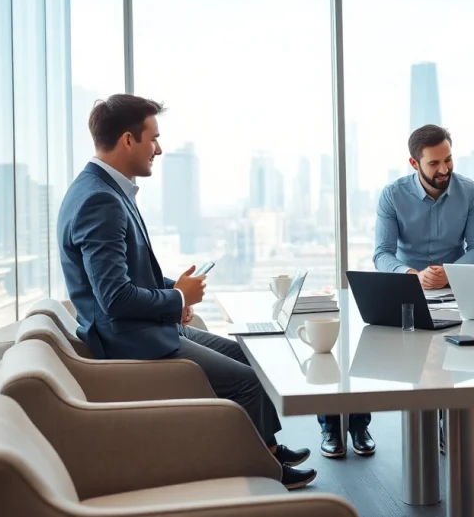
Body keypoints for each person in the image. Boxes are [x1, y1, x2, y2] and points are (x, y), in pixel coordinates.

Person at [56, 94, 316, 489]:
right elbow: (115, 298)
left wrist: (173, 293)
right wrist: (177, 299)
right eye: (153, 138)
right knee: (246, 380)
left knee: (248, 354)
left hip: (145, 328)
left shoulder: (104, 189)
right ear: (128, 140)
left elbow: (126, 277)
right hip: (132, 341)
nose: (158, 149)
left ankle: (268, 447)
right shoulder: (99, 200)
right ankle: (264, 469)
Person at [319, 124, 474, 458]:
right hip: (406, 287)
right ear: (414, 164)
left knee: (449, 355)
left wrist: (448, 275)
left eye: (448, 160)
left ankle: (446, 420)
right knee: (362, 346)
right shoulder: (392, 194)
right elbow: (382, 253)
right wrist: (412, 275)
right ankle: (345, 424)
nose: (444, 170)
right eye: (434, 163)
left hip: (452, 289)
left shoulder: (470, 191)